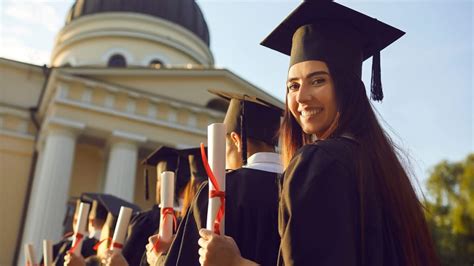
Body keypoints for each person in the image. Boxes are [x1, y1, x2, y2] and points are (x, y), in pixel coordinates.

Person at [198, 1, 439, 266]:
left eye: (318, 80)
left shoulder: (318, 163)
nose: (301, 97)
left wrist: (233, 263)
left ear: (346, 86)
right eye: (293, 85)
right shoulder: (383, 169)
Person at [149, 90, 283, 266]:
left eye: (226, 146)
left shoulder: (220, 190)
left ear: (236, 140)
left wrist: (159, 259)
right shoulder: (297, 186)